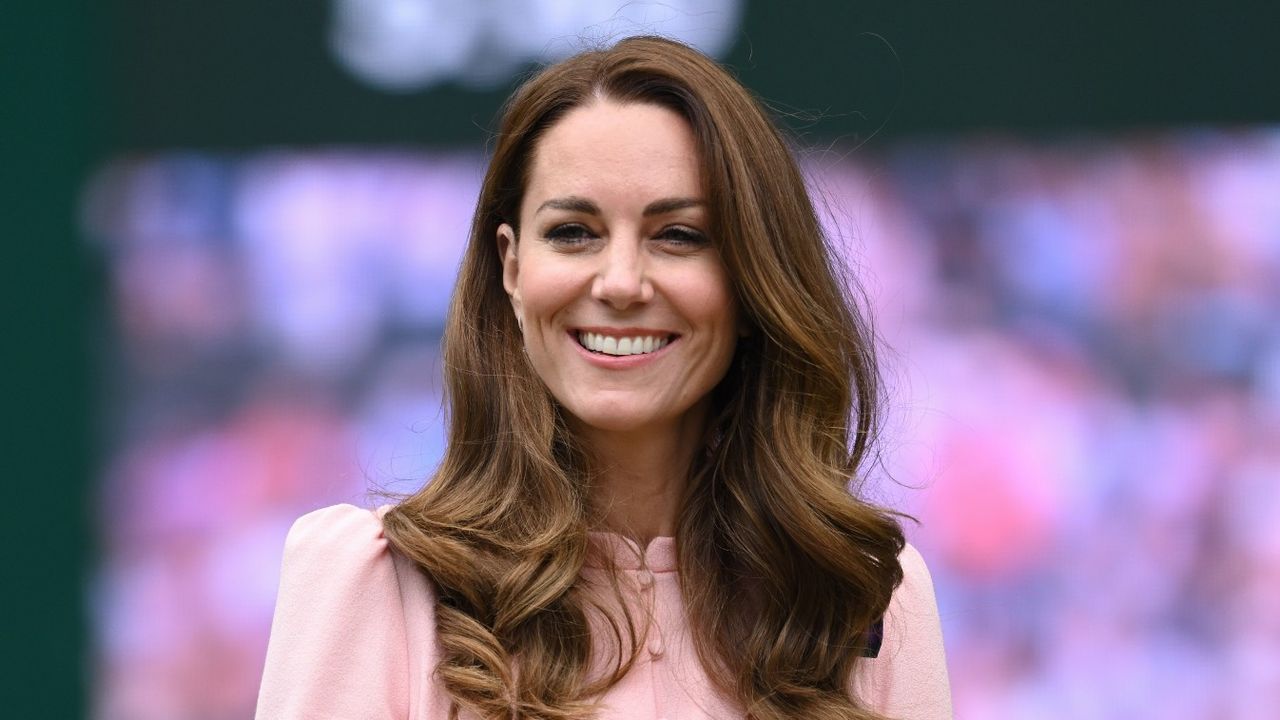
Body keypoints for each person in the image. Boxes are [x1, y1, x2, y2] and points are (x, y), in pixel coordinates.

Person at [256, 35, 951, 720]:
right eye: (573, 233)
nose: (620, 282)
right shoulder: (376, 584)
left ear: (751, 280)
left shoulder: (863, 598)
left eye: (679, 235)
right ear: (511, 268)